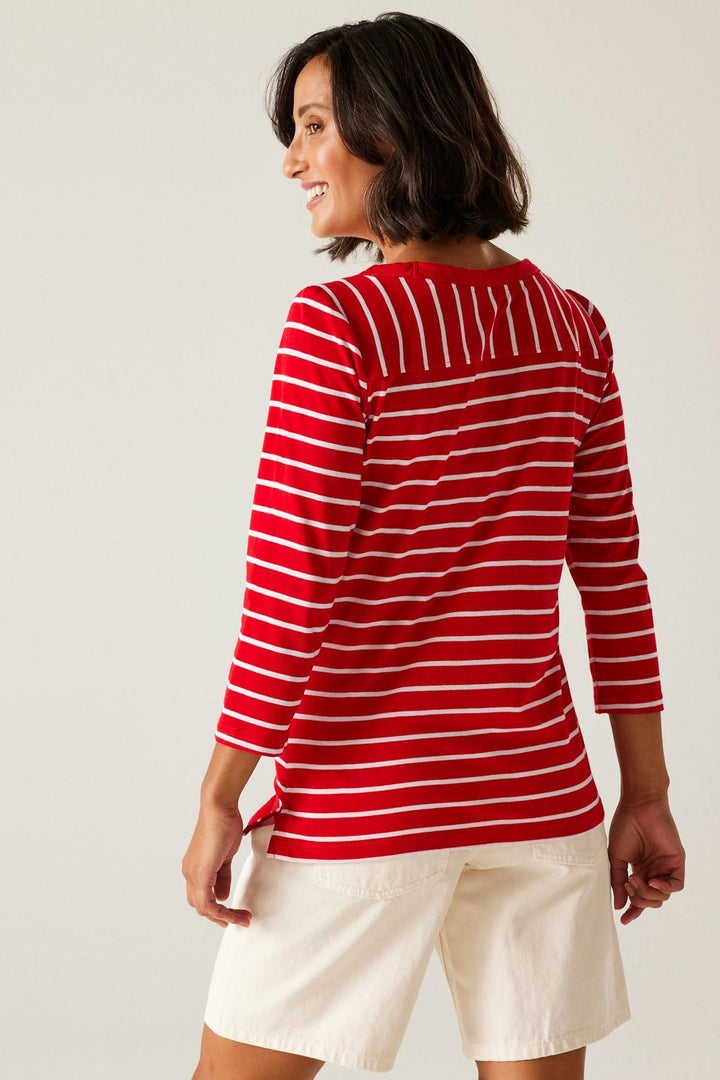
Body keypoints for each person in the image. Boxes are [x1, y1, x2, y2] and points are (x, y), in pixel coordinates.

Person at [182, 13, 685, 1080]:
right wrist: (645, 791)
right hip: (538, 795)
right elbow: (614, 576)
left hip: (364, 799)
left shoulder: (343, 326)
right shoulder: (573, 328)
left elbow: (291, 585)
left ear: (394, 130)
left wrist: (221, 794)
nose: (293, 161)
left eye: (315, 126)